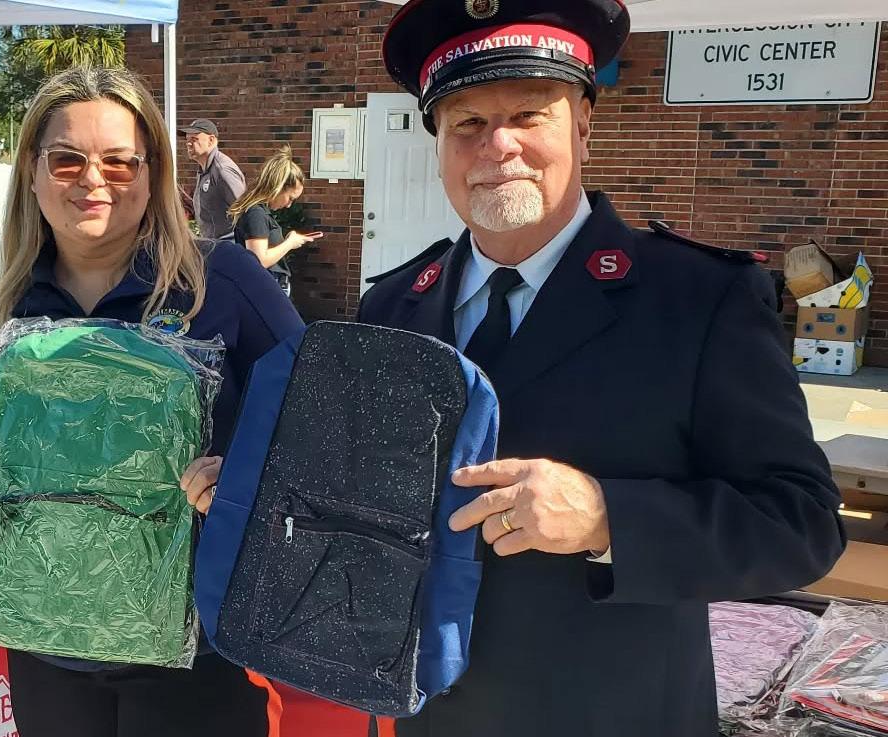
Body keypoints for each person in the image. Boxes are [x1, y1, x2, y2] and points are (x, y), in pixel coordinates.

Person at [359, 2, 846, 736]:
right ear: (439, 144)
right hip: (425, 717)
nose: (497, 145)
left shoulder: (698, 299)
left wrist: (605, 516)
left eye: (528, 115)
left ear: (583, 124)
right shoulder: (392, 306)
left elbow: (800, 523)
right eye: (467, 123)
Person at [0, 66, 303, 737]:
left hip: (199, 658)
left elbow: (322, 422)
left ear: (153, 173)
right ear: (33, 172)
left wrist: (246, 480)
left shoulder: (221, 281)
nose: (92, 180)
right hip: (45, 650)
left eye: (119, 162)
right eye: (67, 159)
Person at [227, 146, 323, 296]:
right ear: (277, 188)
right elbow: (259, 260)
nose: (289, 205)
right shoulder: (256, 214)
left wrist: (290, 240)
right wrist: (289, 243)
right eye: (290, 198)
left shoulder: (259, 212)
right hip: (266, 288)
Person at [181, 118, 246, 240]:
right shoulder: (204, 169)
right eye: (187, 139)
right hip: (214, 243)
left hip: (229, 242)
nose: (188, 144)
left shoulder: (222, 170)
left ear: (211, 140)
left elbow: (245, 209)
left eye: (194, 139)